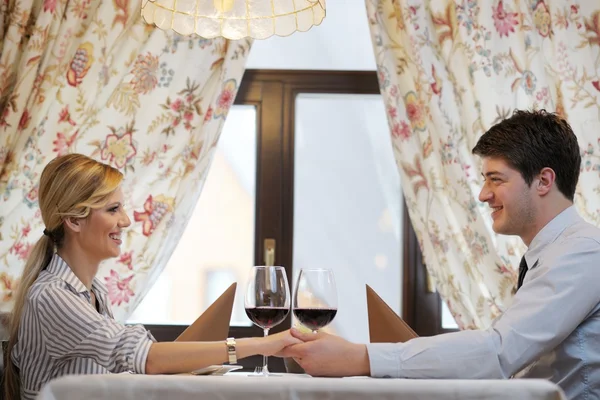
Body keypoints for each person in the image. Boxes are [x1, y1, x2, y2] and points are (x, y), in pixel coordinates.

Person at [282, 110, 600, 399]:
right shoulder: (554, 254)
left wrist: (361, 357)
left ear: (544, 180)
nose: (483, 194)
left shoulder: (583, 251)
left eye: (496, 179)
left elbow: (500, 351)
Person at [3, 154, 299, 400]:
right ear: (74, 220)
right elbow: (146, 357)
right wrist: (261, 345)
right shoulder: (52, 296)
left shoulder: (93, 293)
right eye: (113, 209)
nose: (126, 220)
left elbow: (123, 369)